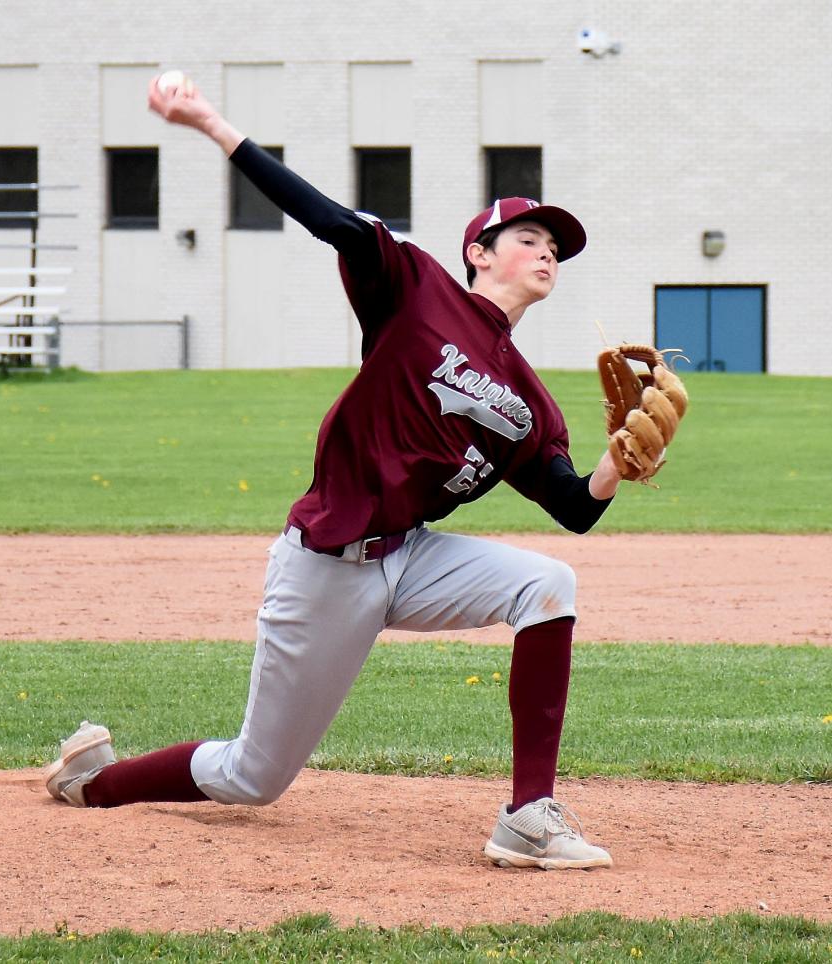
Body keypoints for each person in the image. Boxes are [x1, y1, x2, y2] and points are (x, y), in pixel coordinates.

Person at [44, 73, 624, 871]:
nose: (546, 251)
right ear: (479, 253)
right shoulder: (415, 289)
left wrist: (615, 461)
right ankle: (93, 782)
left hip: (410, 557)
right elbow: (328, 221)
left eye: (554, 247)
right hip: (325, 565)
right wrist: (214, 124)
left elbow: (574, 506)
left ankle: (528, 816)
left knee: (548, 582)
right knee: (255, 775)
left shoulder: (527, 399)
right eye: (528, 237)